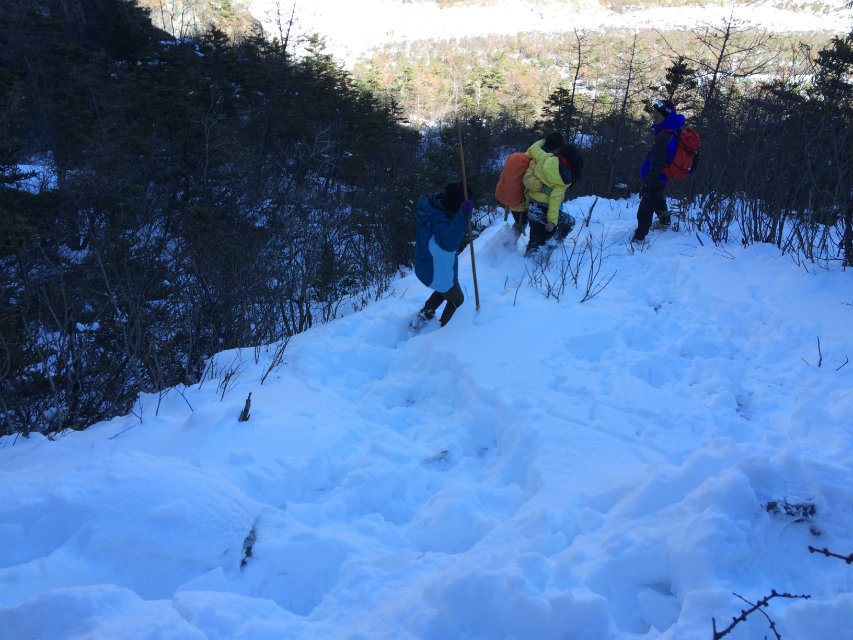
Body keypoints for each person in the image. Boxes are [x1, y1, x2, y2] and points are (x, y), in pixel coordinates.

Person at [412, 181, 474, 328]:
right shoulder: (441, 222)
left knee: (444, 291)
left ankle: (423, 316)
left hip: (425, 266)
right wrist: (462, 216)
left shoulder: (433, 209)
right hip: (435, 272)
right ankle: (444, 330)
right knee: (457, 299)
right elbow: (448, 244)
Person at [632, 98, 686, 242]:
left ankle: (639, 238)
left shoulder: (665, 137)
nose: (654, 116)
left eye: (658, 114)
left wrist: (648, 183)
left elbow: (658, 163)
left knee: (645, 208)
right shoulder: (669, 129)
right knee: (658, 198)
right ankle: (665, 220)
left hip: (656, 176)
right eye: (654, 112)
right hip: (661, 176)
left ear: (666, 116)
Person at [523, 137, 582, 257]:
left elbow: (534, 149)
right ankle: (551, 247)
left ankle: (526, 264)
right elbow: (554, 201)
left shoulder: (545, 158)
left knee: (534, 240)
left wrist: (542, 141)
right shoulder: (564, 179)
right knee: (570, 222)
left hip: (532, 207)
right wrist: (552, 221)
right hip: (544, 210)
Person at [508, 132, 564, 237]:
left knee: (519, 226)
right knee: (520, 226)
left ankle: (503, 246)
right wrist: (544, 188)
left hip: (517, 198)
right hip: (521, 201)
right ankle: (504, 247)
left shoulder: (535, 151)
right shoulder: (538, 159)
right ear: (556, 148)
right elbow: (528, 180)